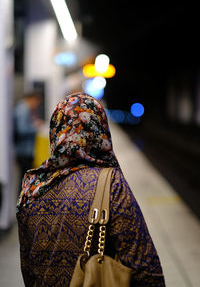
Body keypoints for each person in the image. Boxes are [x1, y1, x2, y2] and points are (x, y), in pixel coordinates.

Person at [16, 92, 165, 286]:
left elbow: (28, 271)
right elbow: (147, 270)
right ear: (99, 131)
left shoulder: (31, 188)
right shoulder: (112, 185)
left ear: (56, 131)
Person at [14, 91, 43, 191]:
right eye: (37, 102)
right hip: (24, 151)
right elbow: (22, 129)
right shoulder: (23, 109)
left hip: (23, 151)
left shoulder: (22, 108)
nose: (36, 106)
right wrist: (36, 127)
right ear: (32, 99)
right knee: (24, 181)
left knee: (24, 180)